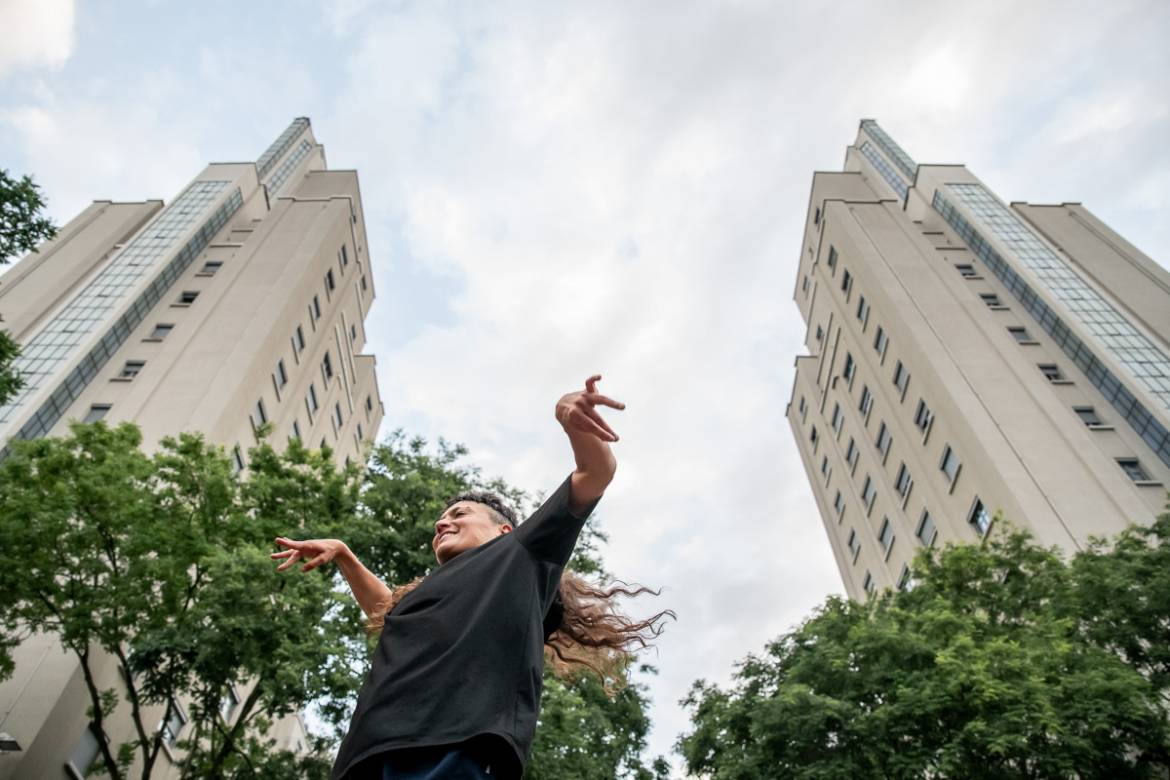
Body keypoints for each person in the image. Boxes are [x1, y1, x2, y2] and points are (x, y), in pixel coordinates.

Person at [272, 375, 670, 780]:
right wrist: (344, 554)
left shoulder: (519, 554)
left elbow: (595, 473)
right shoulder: (423, 595)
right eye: (440, 520)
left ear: (503, 530)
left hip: (452, 749)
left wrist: (571, 420)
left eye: (459, 515)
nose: (442, 523)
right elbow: (385, 611)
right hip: (366, 757)